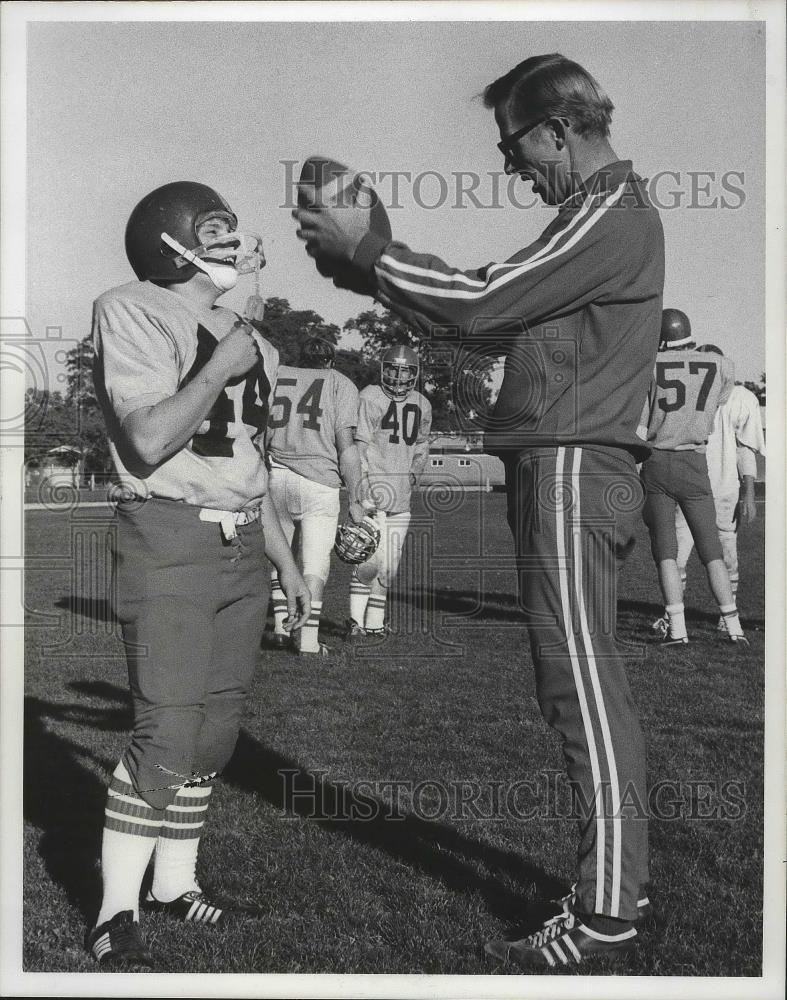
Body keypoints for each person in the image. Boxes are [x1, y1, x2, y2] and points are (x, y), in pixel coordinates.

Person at [294, 53, 662, 968]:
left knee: (577, 681)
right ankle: (615, 888)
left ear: (557, 128)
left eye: (512, 145)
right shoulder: (594, 216)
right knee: (572, 678)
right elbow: (492, 320)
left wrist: (370, 251)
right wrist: (364, 274)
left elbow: (483, 300)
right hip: (562, 460)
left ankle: (610, 907)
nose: (510, 166)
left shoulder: (606, 212)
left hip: (574, 461)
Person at [88, 181, 311, 968]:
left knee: (214, 733)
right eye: (215, 229)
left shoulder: (253, 336)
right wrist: (218, 366)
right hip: (168, 535)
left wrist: (284, 558)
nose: (235, 241)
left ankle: (174, 884)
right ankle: (114, 908)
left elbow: (256, 462)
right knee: (168, 727)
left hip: (243, 542)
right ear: (169, 240)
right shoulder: (131, 305)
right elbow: (148, 439)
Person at [640, 311, 748, 646]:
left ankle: (679, 629)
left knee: (667, 552)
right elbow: (718, 399)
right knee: (712, 550)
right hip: (696, 463)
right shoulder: (720, 364)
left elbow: (642, 422)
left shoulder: (649, 364)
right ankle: (734, 629)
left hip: (658, 462)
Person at [264, 336, 366, 655]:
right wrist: (357, 499)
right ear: (330, 362)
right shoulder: (339, 383)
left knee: (280, 558)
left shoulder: (278, 373)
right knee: (314, 565)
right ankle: (307, 641)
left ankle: (282, 629)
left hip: (275, 476)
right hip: (319, 484)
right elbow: (346, 446)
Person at [652, 345, 764, 632]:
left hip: (713, 482)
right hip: (700, 479)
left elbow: (745, 449)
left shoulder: (740, 397)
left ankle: (712, 621)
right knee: (692, 554)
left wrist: (749, 493)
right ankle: (711, 620)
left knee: (718, 553)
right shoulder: (729, 388)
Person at [347, 344, 432, 638]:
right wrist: (361, 485)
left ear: (414, 373)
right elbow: (358, 446)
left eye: (404, 370)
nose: (397, 376)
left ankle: (374, 622)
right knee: (367, 558)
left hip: (400, 495)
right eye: (393, 369)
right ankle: (355, 621)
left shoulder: (422, 403)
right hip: (373, 488)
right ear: (384, 369)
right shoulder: (370, 396)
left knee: (390, 566)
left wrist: (413, 474)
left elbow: (421, 445)